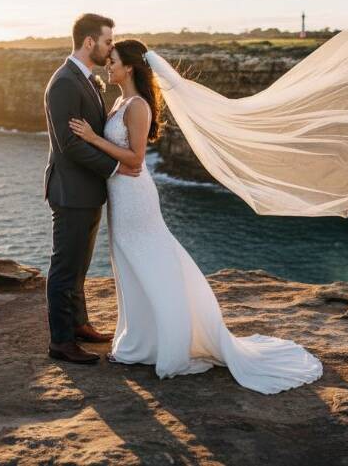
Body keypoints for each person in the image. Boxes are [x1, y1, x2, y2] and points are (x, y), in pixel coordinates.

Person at [68, 39, 326, 393]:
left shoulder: (138, 106)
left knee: (148, 264)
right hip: (120, 196)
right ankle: (138, 343)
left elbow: (135, 160)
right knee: (128, 266)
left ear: (129, 67)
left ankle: (162, 344)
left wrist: (94, 139)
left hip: (135, 197)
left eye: (112, 62)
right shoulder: (119, 101)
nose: (107, 66)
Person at [42, 13, 141, 364]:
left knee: (80, 265)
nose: (110, 47)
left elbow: (94, 136)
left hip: (88, 191)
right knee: (65, 267)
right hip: (71, 192)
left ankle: (80, 324)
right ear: (89, 42)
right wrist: (117, 167)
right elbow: (71, 145)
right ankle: (61, 342)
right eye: (107, 41)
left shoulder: (87, 79)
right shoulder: (66, 82)